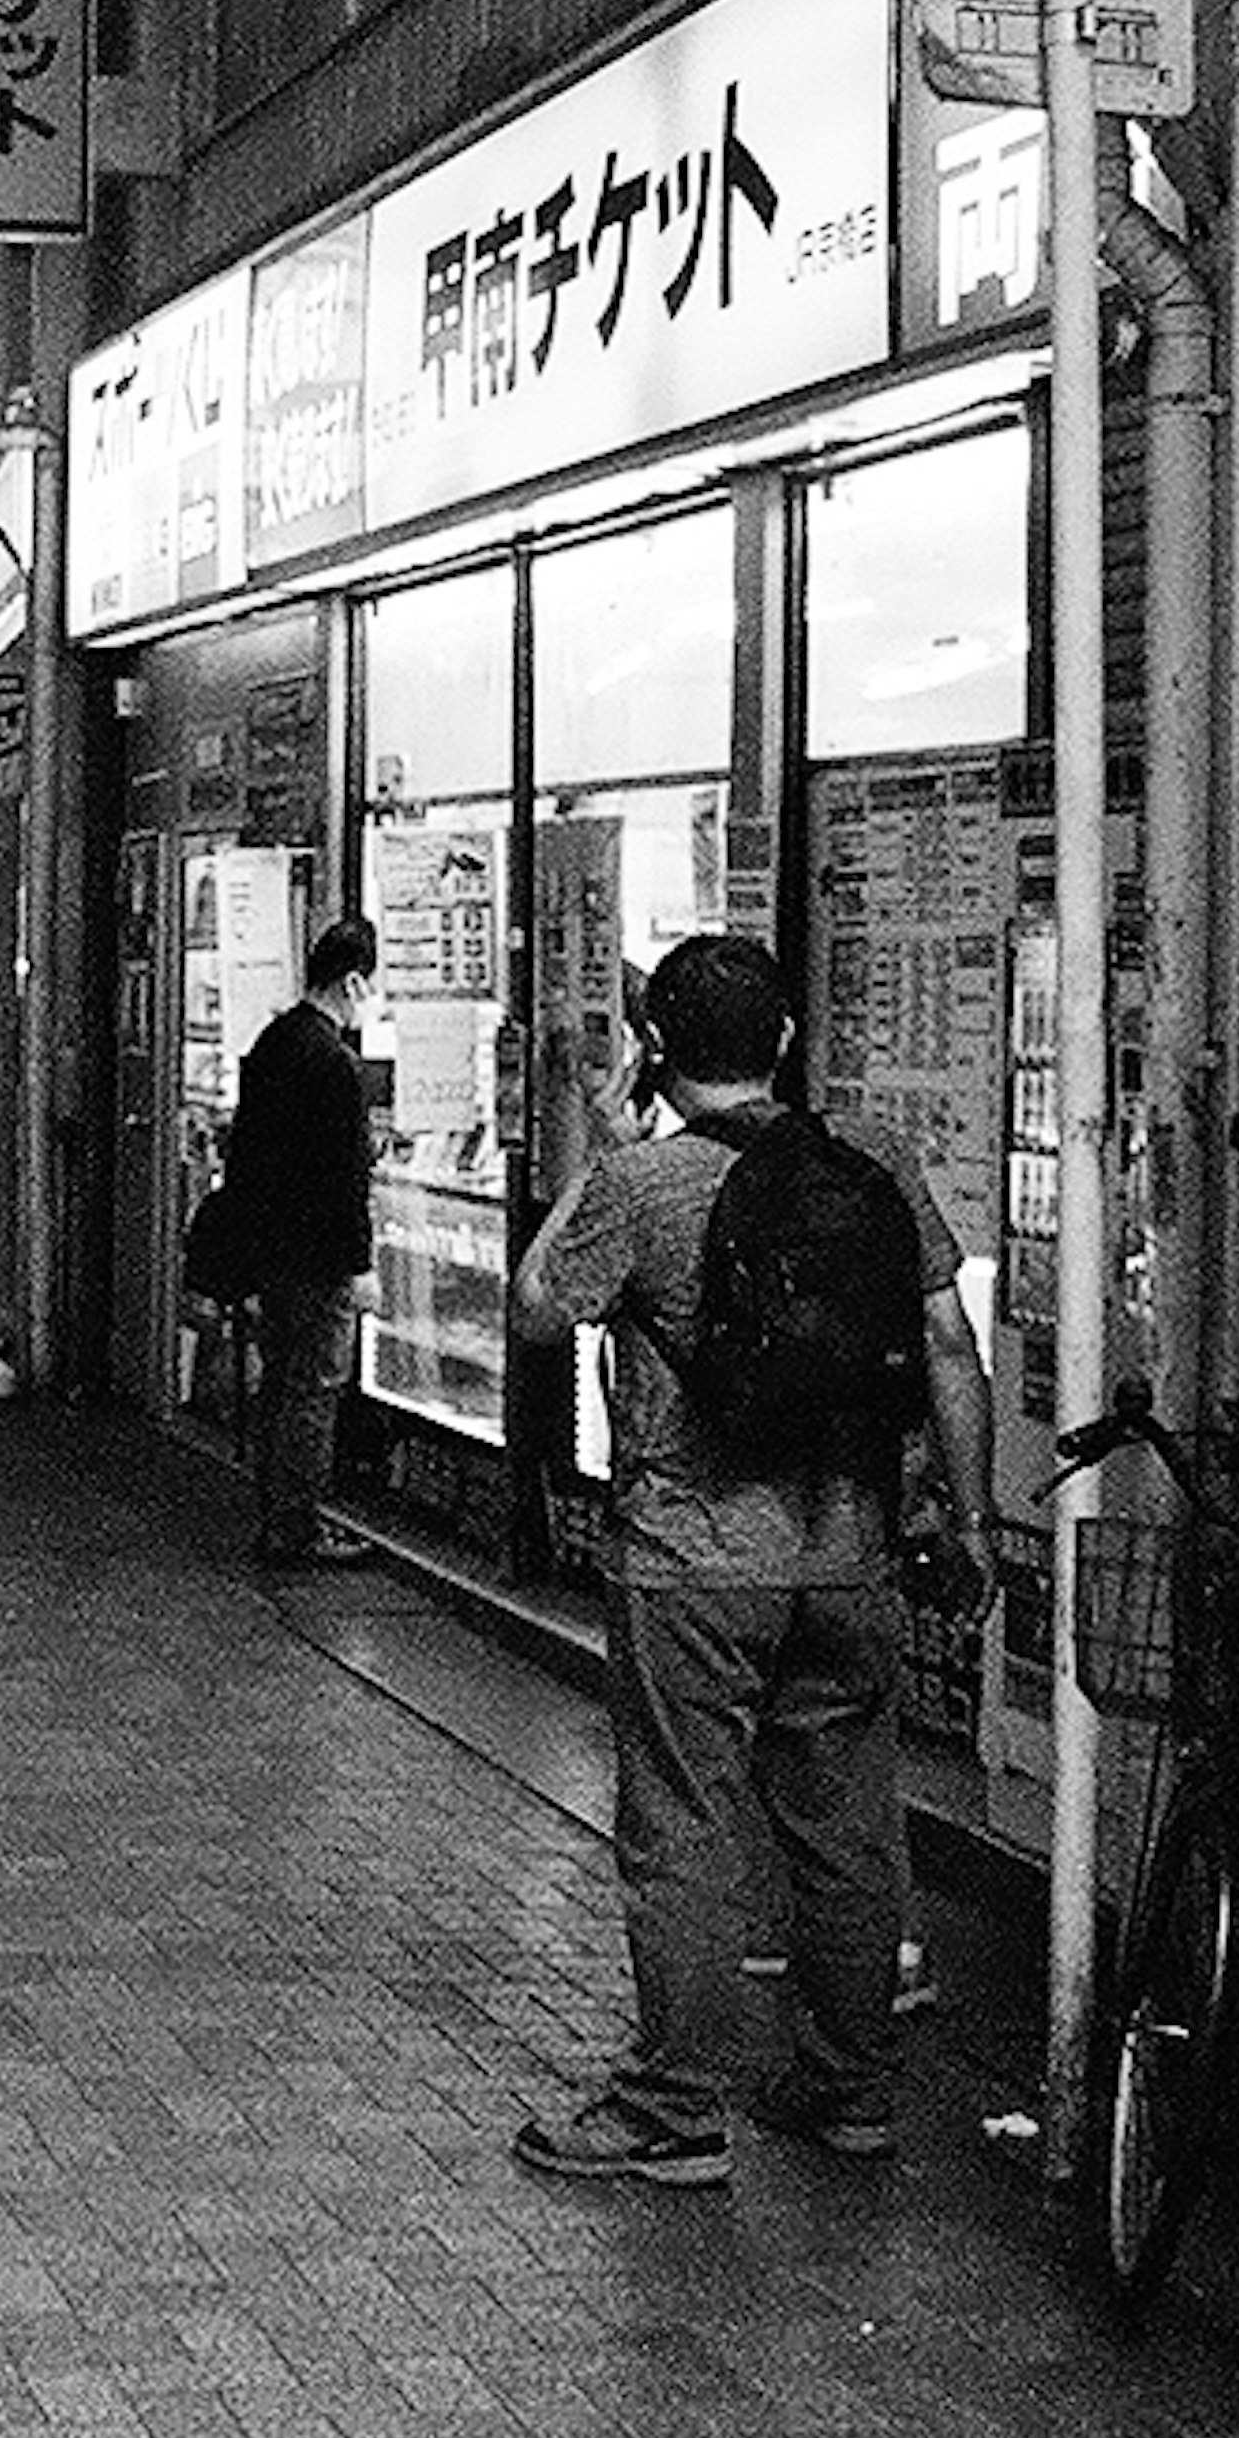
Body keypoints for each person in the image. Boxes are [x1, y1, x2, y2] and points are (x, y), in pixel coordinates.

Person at [503, 929, 993, 2183]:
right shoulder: (873, 1161)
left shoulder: (646, 1184)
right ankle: (851, 2091)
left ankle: (675, 2106)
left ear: (658, 1053)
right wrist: (972, 1520)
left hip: (692, 1559)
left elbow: (537, 1303)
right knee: (846, 1831)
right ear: (782, 1039)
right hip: (849, 1553)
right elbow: (948, 1344)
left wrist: (604, 1155)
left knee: (684, 1827)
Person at [217, 913, 384, 1572]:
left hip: (274, 1252)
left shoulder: (273, 1043)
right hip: (318, 1257)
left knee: (282, 1385)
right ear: (352, 982)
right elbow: (346, 1178)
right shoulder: (335, 1062)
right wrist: (360, 1265)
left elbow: (249, 1157)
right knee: (315, 1391)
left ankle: (276, 1513)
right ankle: (298, 1527)